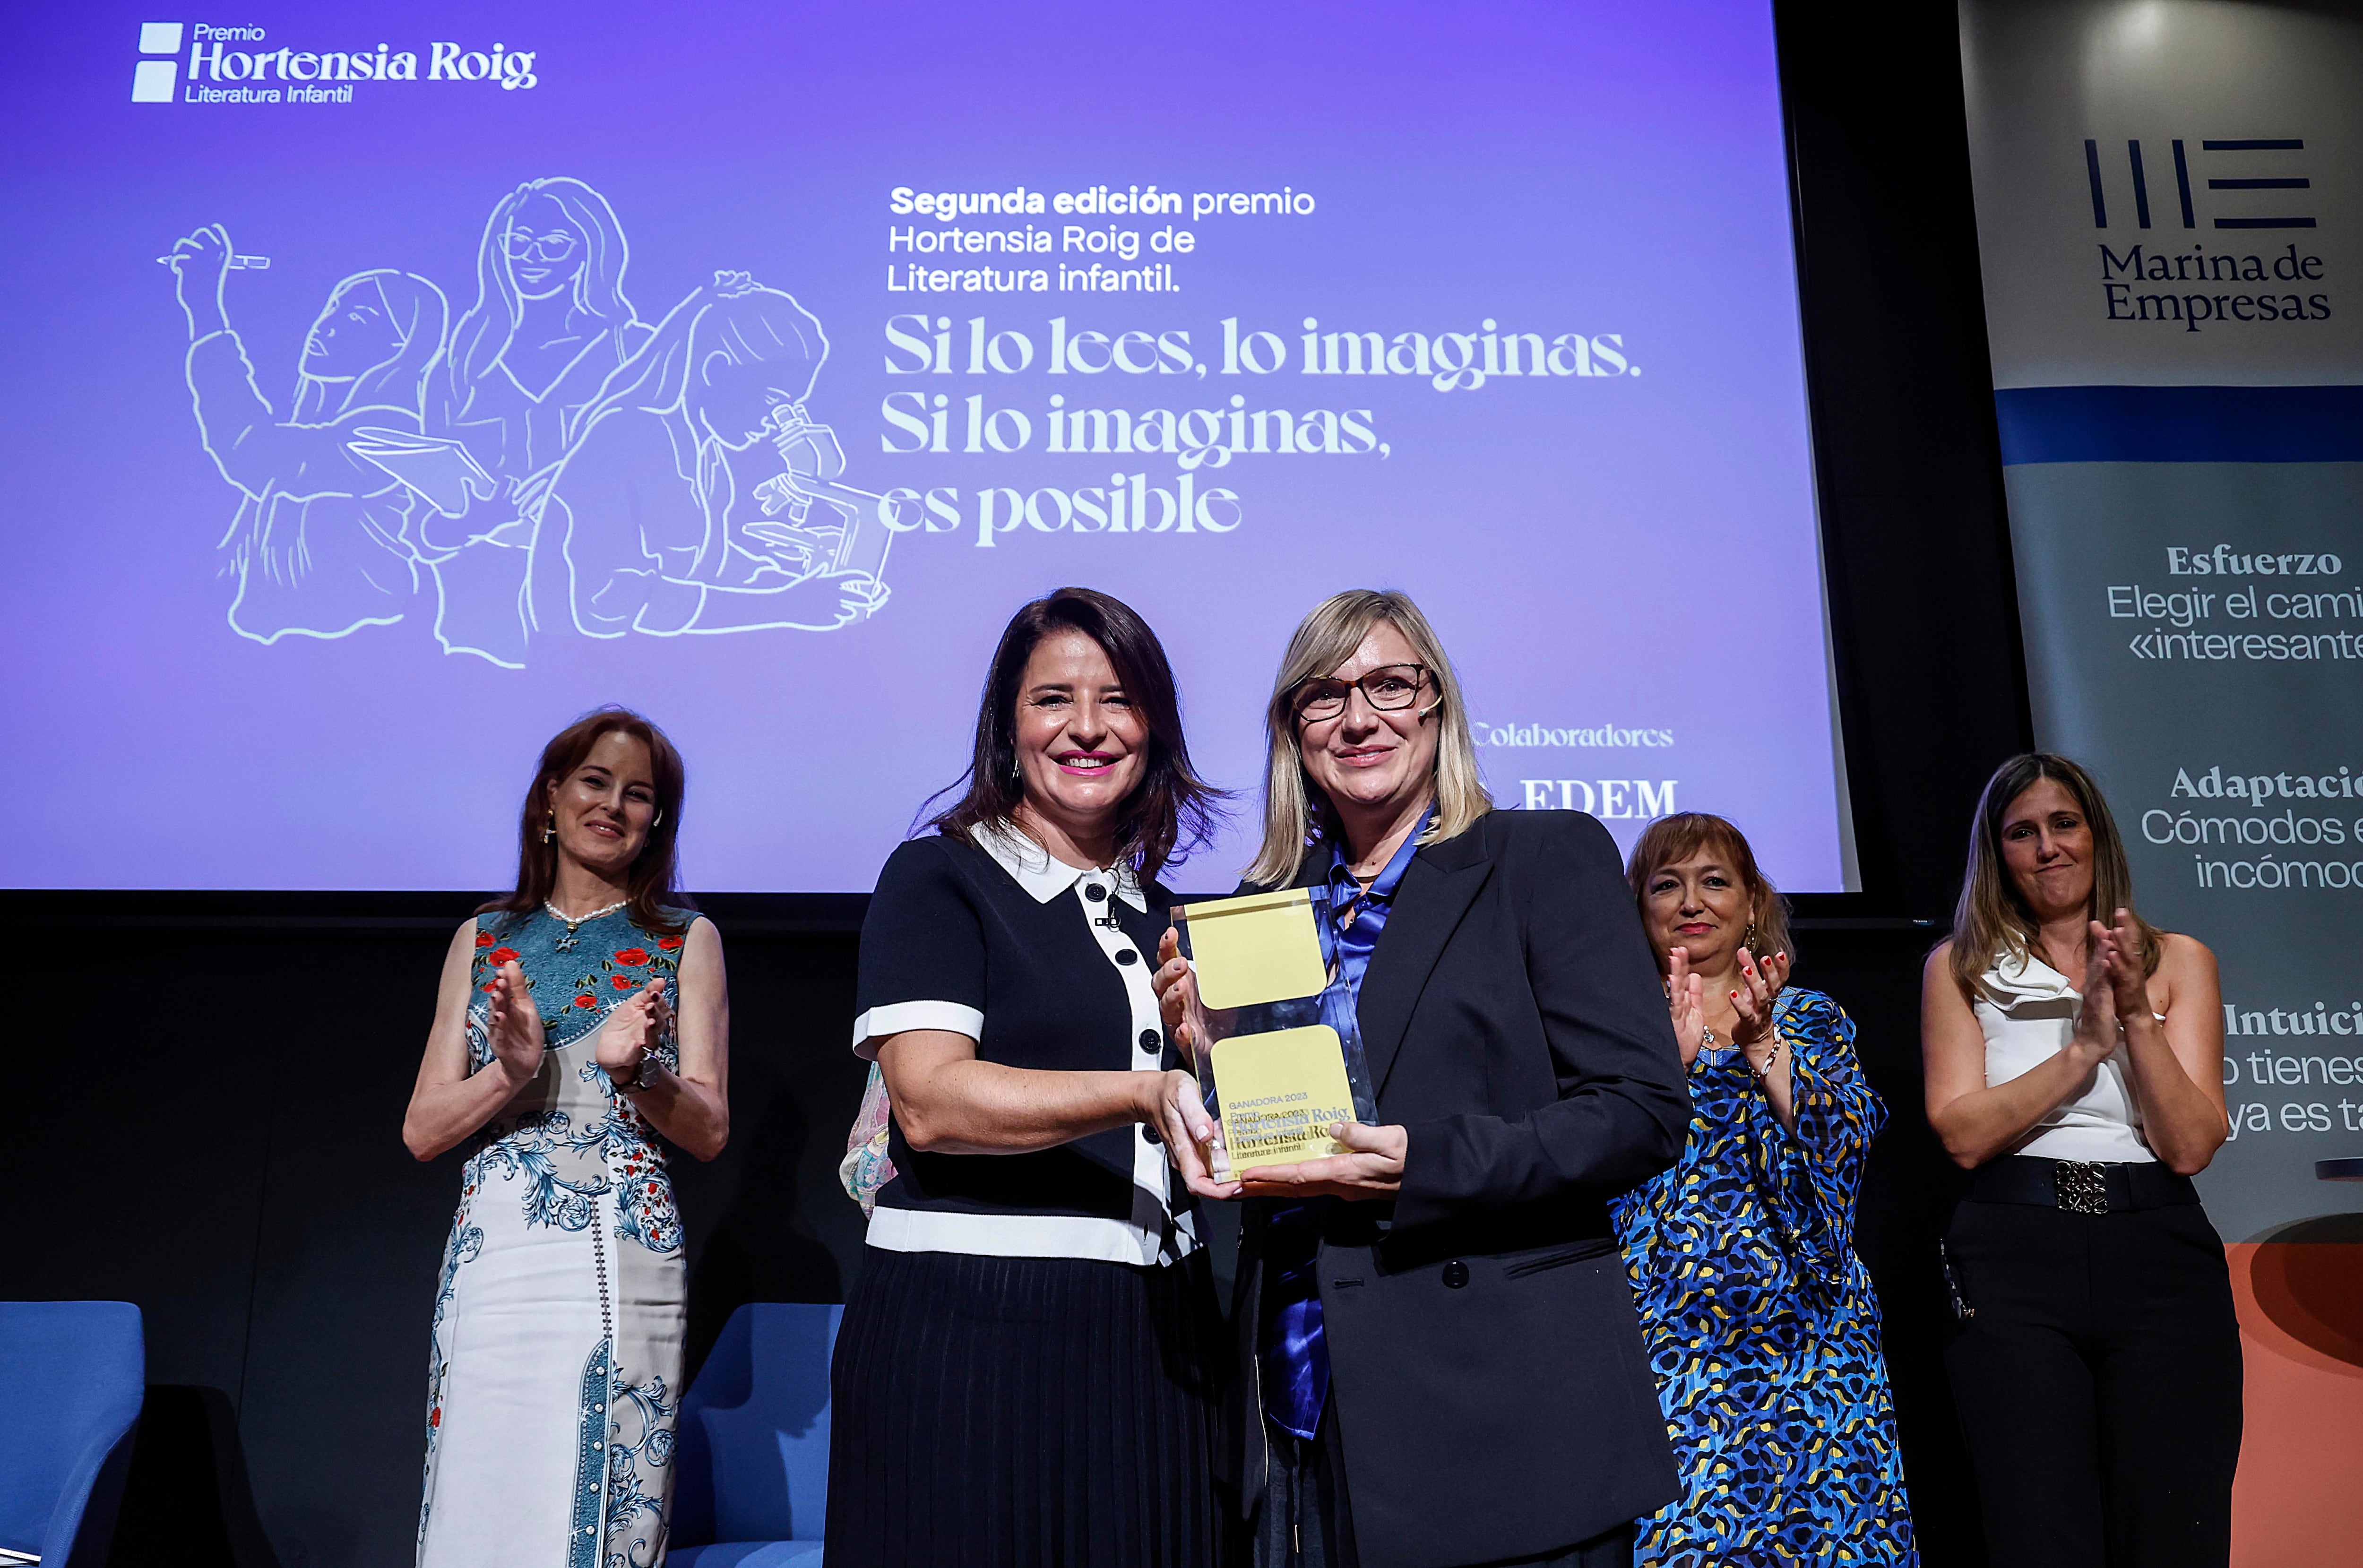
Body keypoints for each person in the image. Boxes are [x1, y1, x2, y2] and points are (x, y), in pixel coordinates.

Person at [1153, 587, 1689, 1568]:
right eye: (1324, 696)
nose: (1359, 718)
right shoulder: (1263, 907)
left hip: (1499, 1410)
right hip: (1300, 1402)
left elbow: (1641, 1112)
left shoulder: (1540, 859)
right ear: (1292, 730)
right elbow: (1278, 1148)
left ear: (1437, 705)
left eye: (1389, 685)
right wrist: (1207, 1055)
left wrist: (1421, 1167)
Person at [828, 587, 1229, 1568]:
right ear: (1008, 726)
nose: (1086, 728)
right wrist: (1141, 1091)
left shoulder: (1165, 915)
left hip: (1157, 1338)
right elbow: (929, 1103)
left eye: (1119, 700)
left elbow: (1210, 1137)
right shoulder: (939, 878)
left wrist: (1206, 1055)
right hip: (972, 1336)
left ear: (1156, 728)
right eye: (1053, 699)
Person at [405, 707, 730, 1568]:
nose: (613, 806)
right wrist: (509, 1072)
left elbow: (709, 1130)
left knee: (601, 1484)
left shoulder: (683, 938)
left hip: (618, 1243)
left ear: (658, 821)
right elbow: (423, 1129)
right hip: (497, 1244)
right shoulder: (485, 937)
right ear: (550, 795)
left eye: (640, 795)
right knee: (485, 1471)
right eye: (594, 781)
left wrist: (639, 1074)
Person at [1922, 753, 2240, 1567]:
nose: (2048, 847)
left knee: (2177, 1525)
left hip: (2158, 1253)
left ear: (2097, 836)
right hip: (2015, 1251)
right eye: (2021, 832)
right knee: (2039, 1531)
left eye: (2064, 823)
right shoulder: (1960, 965)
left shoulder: (2181, 959)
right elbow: (1961, 1133)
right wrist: (2083, 1050)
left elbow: (2192, 1142)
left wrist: (2133, 1011)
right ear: (1998, 854)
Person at [1611, 813, 1915, 1566]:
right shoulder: (1609, 1030)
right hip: (1667, 1344)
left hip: (1812, 1344)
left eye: (1715, 881)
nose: (1692, 901)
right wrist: (1667, 1070)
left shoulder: (1810, 1016)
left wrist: (1759, 1046)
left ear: (1752, 902)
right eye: (1667, 885)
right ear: (1636, 907)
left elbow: (1848, 1141)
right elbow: (1585, 1166)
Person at [167, 223, 447, 642]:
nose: (326, 325)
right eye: (333, 307)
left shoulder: (390, 431)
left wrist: (206, 313)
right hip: (284, 644)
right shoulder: (318, 419)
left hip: (356, 643)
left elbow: (252, 452)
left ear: (400, 348)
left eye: (357, 318)